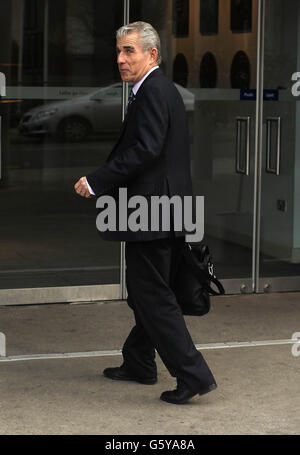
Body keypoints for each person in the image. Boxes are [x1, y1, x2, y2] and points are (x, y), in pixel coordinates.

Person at [74, 21, 217, 404]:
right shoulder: (156, 89)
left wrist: (97, 180)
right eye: (119, 51)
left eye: (129, 51)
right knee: (148, 293)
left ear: (152, 54)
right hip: (163, 209)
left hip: (152, 212)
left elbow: (145, 150)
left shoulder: (153, 91)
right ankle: (138, 361)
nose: (121, 59)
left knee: (152, 295)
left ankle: (194, 376)